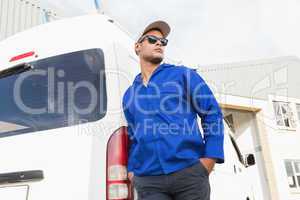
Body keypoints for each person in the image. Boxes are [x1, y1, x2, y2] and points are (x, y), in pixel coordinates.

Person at [122, 20, 224, 200]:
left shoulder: (183, 75)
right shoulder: (129, 95)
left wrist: (210, 158)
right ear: (138, 47)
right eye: (152, 39)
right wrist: (132, 170)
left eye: (163, 41)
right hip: (148, 182)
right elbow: (133, 135)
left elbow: (211, 113)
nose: (159, 43)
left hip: (189, 174)